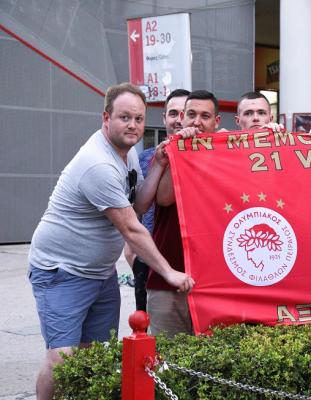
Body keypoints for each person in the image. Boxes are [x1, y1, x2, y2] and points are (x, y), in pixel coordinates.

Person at [28, 83, 195, 400]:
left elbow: (140, 204)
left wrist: (159, 164)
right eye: (124, 117)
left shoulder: (127, 154)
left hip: (100, 272)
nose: (133, 125)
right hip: (62, 271)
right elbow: (132, 228)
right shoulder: (98, 164)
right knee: (62, 358)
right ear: (106, 118)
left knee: (93, 354)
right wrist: (168, 272)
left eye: (138, 119)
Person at [146, 89, 222, 337]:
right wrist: (181, 150)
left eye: (205, 116)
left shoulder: (228, 155)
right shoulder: (166, 152)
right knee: (166, 356)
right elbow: (164, 198)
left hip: (216, 286)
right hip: (168, 282)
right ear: (182, 117)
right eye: (191, 114)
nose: (197, 122)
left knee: (214, 358)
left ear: (216, 122)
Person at [124, 88, 190, 312]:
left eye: (185, 113)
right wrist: (132, 253)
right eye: (173, 113)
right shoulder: (144, 158)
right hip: (150, 257)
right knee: (146, 324)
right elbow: (134, 208)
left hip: (188, 257)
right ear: (164, 118)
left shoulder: (207, 155)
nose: (178, 120)